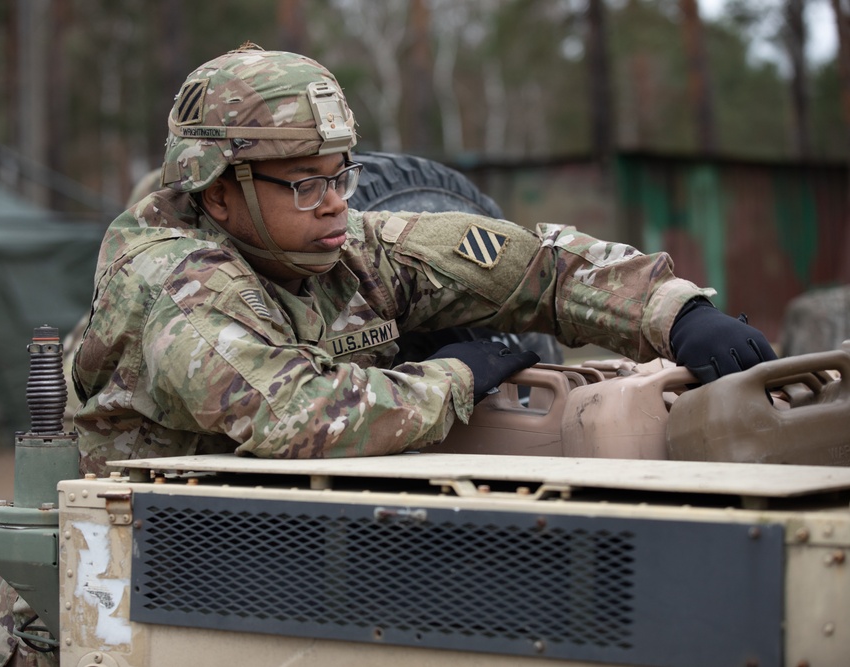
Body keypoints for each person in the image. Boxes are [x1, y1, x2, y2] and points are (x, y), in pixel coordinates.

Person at [70, 42, 775, 472]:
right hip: (130, 600)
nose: (336, 203)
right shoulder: (174, 287)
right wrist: (453, 377)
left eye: (340, 174)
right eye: (306, 182)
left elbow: (528, 269)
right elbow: (301, 415)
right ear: (218, 193)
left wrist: (677, 313)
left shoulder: (335, 247)